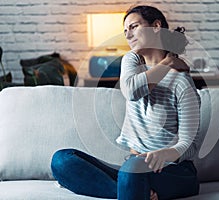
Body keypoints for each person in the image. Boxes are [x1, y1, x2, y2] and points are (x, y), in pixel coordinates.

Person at [51, 5, 201, 200]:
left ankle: (131, 188)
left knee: (132, 168)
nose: (128, 35)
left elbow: (191, 144)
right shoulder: (131, 62)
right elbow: (132, 91)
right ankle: (135, 192)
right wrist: (168, 62)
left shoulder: (181, 82)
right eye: (125, 31)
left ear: (156, 26)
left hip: (174, 172)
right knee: (62, 160)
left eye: (134, 26)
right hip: (132, 170)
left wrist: (165, 154)